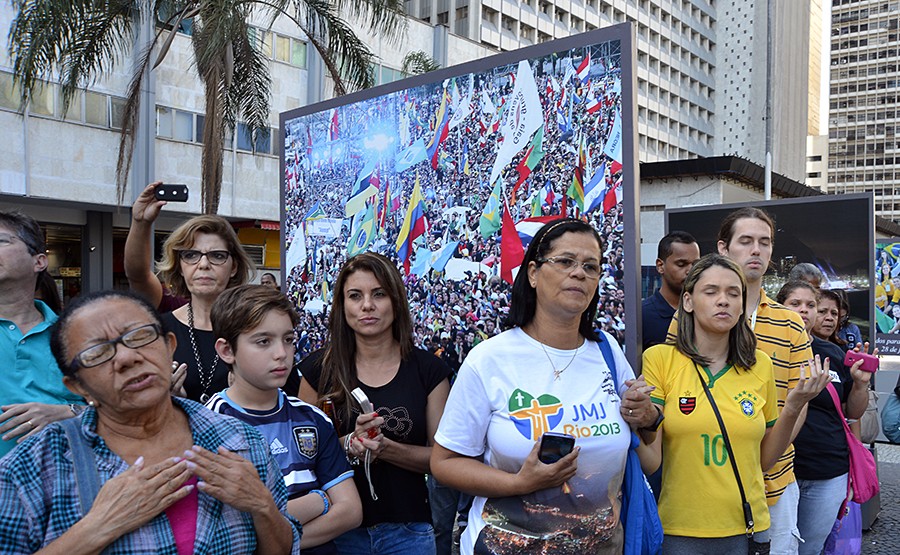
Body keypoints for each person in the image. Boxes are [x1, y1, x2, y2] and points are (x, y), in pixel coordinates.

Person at [0, 290, 300, 553]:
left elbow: (281, 548)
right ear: (77, 387)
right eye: (97, 353)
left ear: (169, 345)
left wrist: (263, 507)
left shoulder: (240, 440)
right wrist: (96, 528)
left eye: (140, 336)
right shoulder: (32, 468)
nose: (127, 358)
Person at [431, 218, 660, 554]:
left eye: (590, 266)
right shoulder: (489, 359)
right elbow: (445, 463)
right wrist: (519, 483)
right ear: (534, 274)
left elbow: (648, 459)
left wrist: (649, 418)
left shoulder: (608, 352)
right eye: (565, 261)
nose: (579, 273)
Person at [644, 255, 828, 554]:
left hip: (748, 528)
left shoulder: (760, 365)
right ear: (688, 301)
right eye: (711, 291)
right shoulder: (659, 359)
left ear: (743, 304)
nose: (723, 301)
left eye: (733, 293)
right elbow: (651, 460)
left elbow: (765, 461)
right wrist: (634, 417)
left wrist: (793, 407)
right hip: (679, 528)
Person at [297, 252, 451, 555]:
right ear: (342, 305)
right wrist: (346, 443)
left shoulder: (429, 370)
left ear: (395, 300)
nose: (367, 305)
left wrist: (386, 448)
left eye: (378, 294)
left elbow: (442, 461)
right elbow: (303, 454)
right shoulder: (317, 369)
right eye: (355, 296)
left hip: (409, 531)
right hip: (334, 530)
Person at [206, 284, 362, 554]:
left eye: (288, 339)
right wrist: (318, 501)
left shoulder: (312, 418)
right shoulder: (208, 424)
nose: (281, 353)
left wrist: (279, 540)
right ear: (226, 350)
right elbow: (229, 528)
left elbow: (350, 511)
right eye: (263, 341)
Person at [125, 182, 255, 402]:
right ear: (180, 265)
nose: (203, 264)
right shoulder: (161, 330)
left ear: (233, 267)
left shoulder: (255, 327)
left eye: (217, 256)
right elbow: (137, 274)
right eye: (191, 255)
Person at [776, 281, 871, 555]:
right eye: (795, 304)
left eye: (810, 305)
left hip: (828, 471)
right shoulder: (763, 350)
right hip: (780, 469)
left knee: (812, 549)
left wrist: (861, 385)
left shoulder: (833, 353)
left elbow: (852, 413)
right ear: (779, 306)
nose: (804, 311)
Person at [0, 210, 83, 458]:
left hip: (60, 482)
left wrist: (65, 412)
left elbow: (113, 409)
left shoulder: (74, 334)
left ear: (39, 262)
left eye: (1, 241)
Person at [642, 231, 700, 351]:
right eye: (681, 264)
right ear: (660, 266)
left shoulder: (705, 311)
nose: (690, 271)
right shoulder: (642, 316)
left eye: (695, 264)